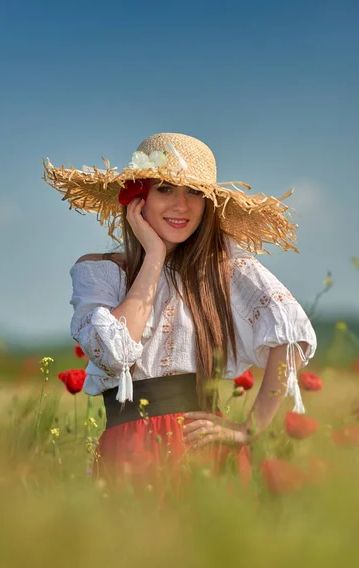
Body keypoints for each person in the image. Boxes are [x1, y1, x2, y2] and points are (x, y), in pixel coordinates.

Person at [44, 132, 317, 485]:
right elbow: (113, 354)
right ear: (136, 198)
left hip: (200, 446)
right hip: (125, 447)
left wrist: (249, 429)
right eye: (164, 189)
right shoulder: (100, 271)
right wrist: (154, 257)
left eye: (195, 193)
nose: (182, 205)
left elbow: (291, 333)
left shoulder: (223, 268)